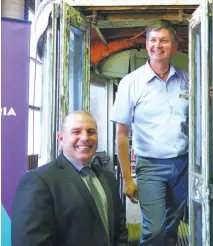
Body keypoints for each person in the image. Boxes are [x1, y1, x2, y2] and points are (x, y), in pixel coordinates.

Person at [111, 20, 189, 245]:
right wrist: (127, 179)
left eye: (164, 40)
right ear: (146, 45)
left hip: (183, 165)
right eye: (153, 40)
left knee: (172, 226)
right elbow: (122, 135)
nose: (158, 45)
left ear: (174, 46)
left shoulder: (187, 80)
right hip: (151, 167)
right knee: (154, 229)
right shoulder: (130, 83)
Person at [11, 111, 129, 246]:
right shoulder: (38, 181)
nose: (85, 138)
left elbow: (120, 230)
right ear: (61, 138)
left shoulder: (108, 178)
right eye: (76, 132)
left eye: (91, 132)